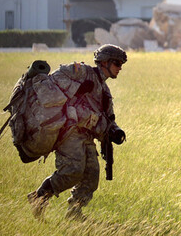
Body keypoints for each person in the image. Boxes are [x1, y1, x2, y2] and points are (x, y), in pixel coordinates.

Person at [27, 44, 128, 220]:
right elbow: (55, 81)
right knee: (72, 171)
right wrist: (76, 89)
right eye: (117, 63)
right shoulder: (81, 72)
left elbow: (108, 118)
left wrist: (115, 131)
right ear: (104, 62)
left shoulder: (105, 90)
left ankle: (74, 212)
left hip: (86, 136)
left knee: (91, 177)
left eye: (121, 64)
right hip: (69, 132)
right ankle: (39, 196)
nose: (120, 68)